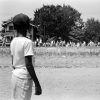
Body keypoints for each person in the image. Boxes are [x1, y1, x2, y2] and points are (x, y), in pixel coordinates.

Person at [10, 13, 42, 100]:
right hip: (24, 77)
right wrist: (37, 83)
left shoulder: (13, 41)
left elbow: (13, 63)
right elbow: (28, 65)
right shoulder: (27, 42)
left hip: (15, 75)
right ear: (27, 27)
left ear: (15, 27)